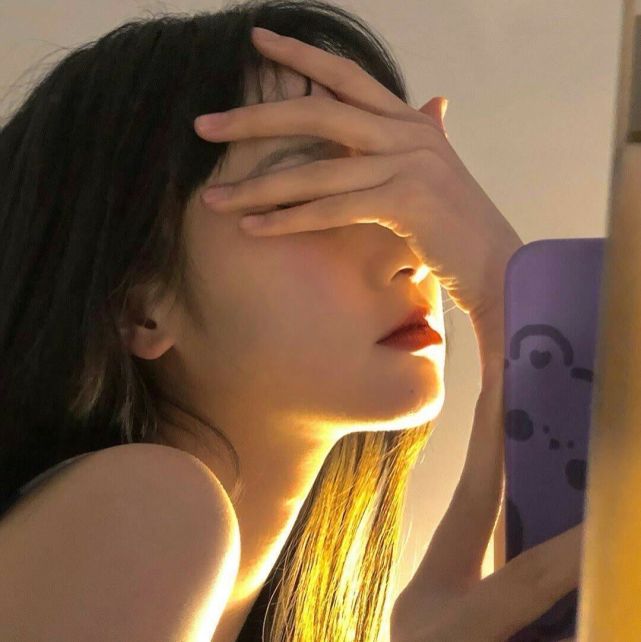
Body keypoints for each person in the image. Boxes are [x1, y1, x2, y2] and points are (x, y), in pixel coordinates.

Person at [0, 1, 582, 641]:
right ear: (139, 308)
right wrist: (515, 296)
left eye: (390, 188)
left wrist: (511, 302)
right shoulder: (141, 509)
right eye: (312, 193)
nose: (414, 252)